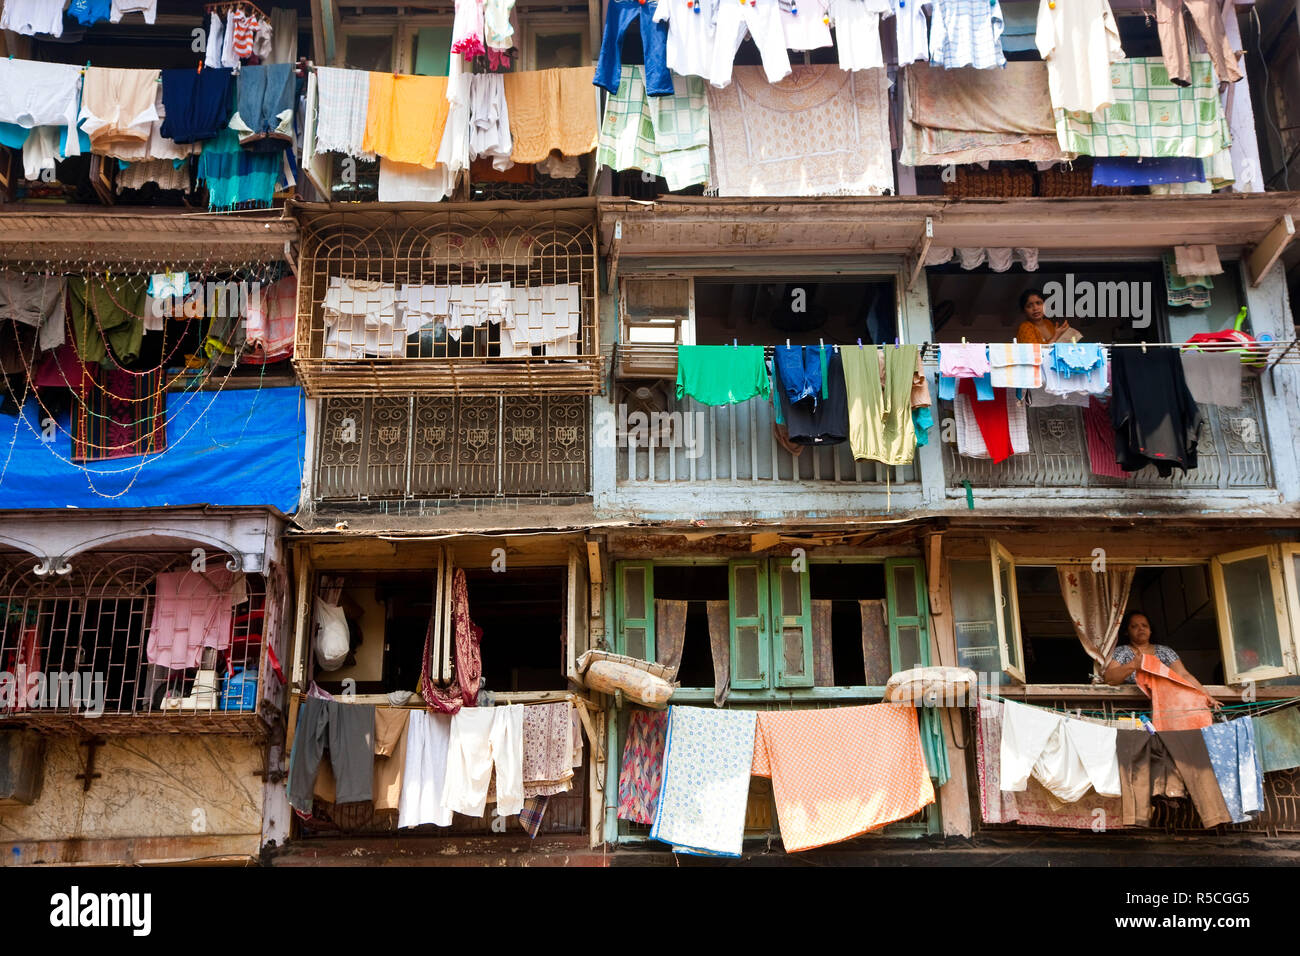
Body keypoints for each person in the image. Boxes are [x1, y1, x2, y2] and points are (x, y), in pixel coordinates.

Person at [1103, 611, 1220, 709]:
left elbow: (1184, 675)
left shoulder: (1164, 651)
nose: (1141, 629)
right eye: (1134, 626)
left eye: (1145, 625)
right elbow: (1109, 678)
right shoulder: (1122, 651)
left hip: (1167, 707)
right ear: (1126, 632)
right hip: (1132, 708)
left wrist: (1206, 695)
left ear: (1150, 630)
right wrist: (1133, 664)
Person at [1014, 288, 1080, 345]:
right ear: (1024, 311)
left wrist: (1061, 334)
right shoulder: (1025, 327)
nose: (1035, 308)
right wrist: (1056, 335)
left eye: (1038, 303)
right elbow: (1037, 354)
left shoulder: (1048, 323)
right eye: (1029, 306)